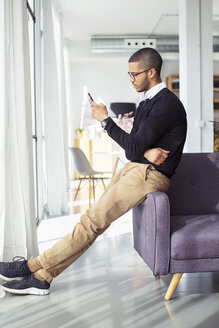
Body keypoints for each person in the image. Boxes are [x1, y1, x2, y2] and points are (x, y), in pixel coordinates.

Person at [0, 47, 187, 295]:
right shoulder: (146, 104)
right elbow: (134, 149)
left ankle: (33, 266)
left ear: (152, 72)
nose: (131, 80)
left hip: (149, 175)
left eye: (135, 74)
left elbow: (132, 146)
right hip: (137, 169)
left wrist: (105, 120)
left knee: (92, 222)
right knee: (92, 221)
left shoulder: (166, 104)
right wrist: (144, 151)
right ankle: (42, 277)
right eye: (129, 74)